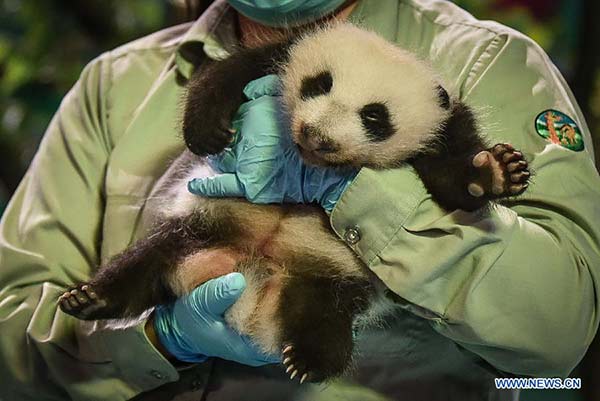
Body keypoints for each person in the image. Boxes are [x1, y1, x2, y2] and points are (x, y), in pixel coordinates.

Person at [0, 0, 598, 400]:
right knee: (164, 250)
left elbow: (558, 344)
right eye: (312, 90)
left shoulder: (488, 64)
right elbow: (12, 335)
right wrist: (154, 340)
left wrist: (363, 191)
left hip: (323, 280)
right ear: (304, 59)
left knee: (331, 306)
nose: (315, 130)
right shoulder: (114, 85)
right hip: (210, 243)